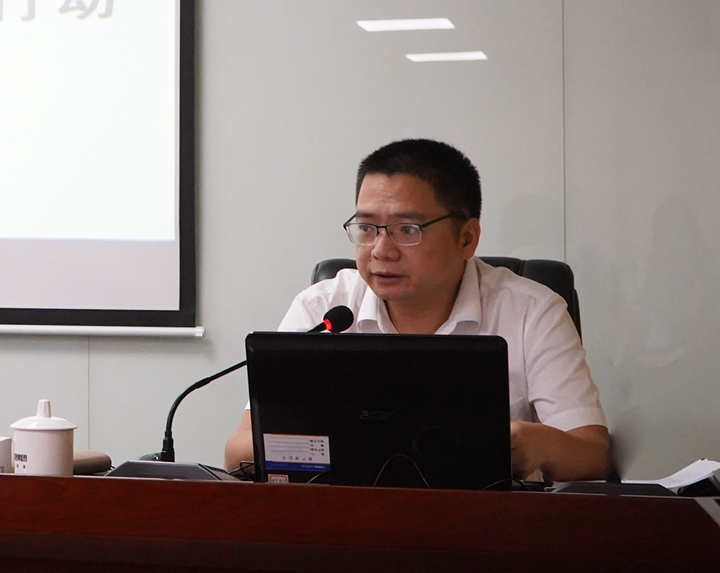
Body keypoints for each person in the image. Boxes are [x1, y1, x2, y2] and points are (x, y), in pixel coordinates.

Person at [225, 139, 610, 481]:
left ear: (467, 237)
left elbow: (592, 455)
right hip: (344, 517)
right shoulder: (323, 309)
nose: (380, 251)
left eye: (407, 230)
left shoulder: (532, 311)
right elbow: (238, 453)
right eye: (366, 228)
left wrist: (537, 444)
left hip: (486, 521)